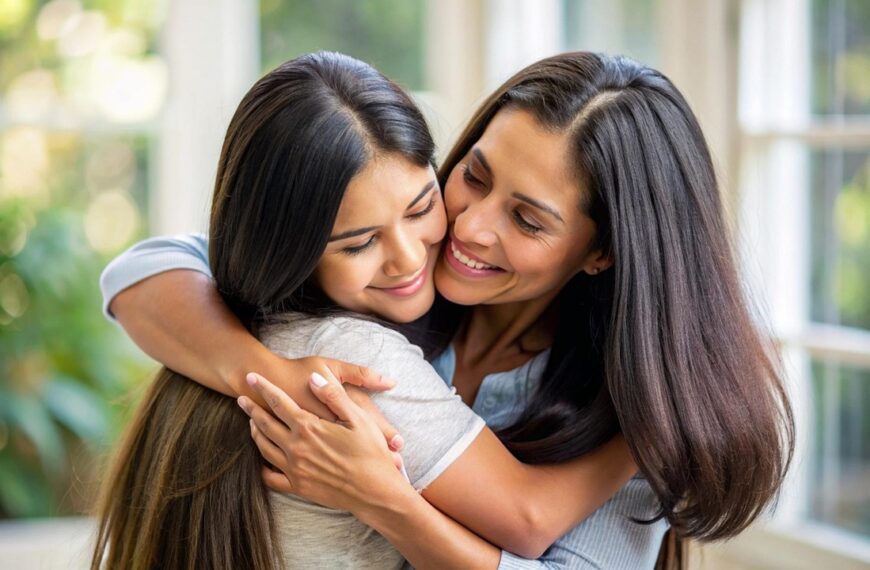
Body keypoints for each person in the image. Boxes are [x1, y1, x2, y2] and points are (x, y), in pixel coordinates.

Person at [101, 52, 794, 569]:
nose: (468, 227)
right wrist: (268, 375)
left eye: (526, 219)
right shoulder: (375, 275)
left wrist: (391, 505)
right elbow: (147, 269)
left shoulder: (616, 404)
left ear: (601, 252)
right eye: (474, 176)